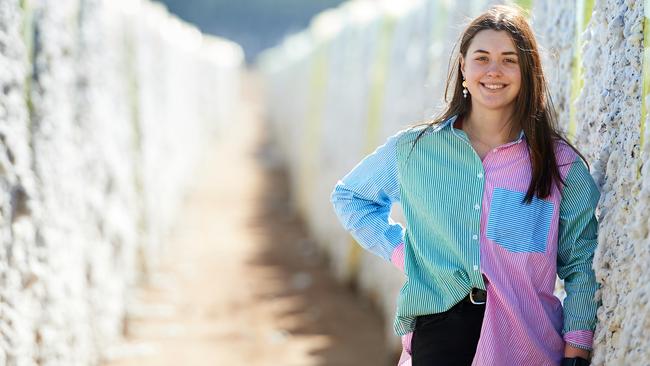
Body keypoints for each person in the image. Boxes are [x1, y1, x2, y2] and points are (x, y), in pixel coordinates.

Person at [330, 4, 600, 366]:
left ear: (527, 72)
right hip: (439, 329)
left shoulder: (561, 165)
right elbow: (351, 197)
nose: (494, 71)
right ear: (463, 68)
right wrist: (405, 254)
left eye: (509, 60)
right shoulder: (415, 149)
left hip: (527, 343)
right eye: (482, 58)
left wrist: (578, 344)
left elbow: (581, 262)